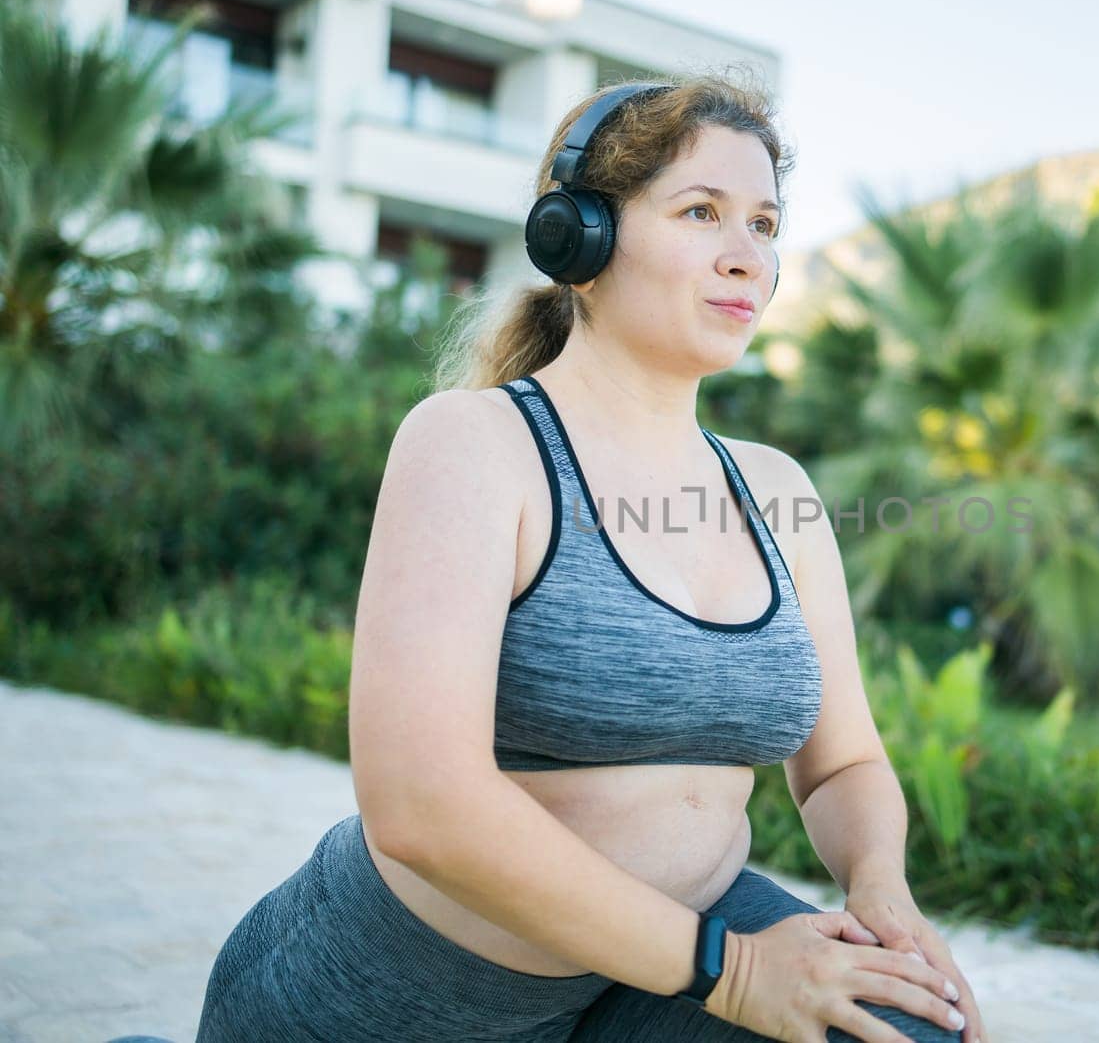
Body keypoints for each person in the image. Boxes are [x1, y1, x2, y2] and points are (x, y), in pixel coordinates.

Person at [194, 69, 987, 1043]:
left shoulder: (777, 491)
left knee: (908, 1029)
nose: (745, 257)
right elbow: (417, 805)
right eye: (702, 212)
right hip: (400, 1002)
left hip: (653, 982)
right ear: (580, 240)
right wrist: (735, 972)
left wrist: (881, 895)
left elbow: (843, 764)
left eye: (765, 226)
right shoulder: (475, 444)